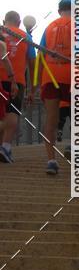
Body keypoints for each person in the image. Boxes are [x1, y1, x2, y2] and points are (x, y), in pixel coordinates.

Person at [36, 0, 72, 175]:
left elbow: (40, 55)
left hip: (50, 76)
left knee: (51, 119)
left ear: (59, 11)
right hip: (72, 75)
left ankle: (51, 160)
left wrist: (36, 84)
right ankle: (76, 148)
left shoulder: (49, 27)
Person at [0, 11, 36, 163]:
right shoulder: (25, 37)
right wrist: (31, 89)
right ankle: (6, 147)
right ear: (20, 22)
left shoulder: (0, 32)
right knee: (12, 112)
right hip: (17, 80)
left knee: (1, 113)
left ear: (4, 20)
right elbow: (33, 63)